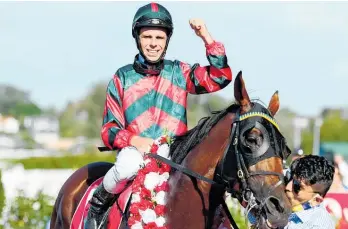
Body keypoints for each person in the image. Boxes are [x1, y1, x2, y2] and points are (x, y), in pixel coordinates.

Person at [85, 2, 233, 228]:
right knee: (127, 166)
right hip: (135, 153)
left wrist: (206, 37)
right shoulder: (122, 77)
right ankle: (99, 201)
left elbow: (219, 77)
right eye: (147, 37)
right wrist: (135, 140)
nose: (153, 43)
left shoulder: (180, 72)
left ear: (166, 41)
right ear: (138, 38)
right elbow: (109, 131)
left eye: (159, 38)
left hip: (175, 154)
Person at [283, 155, 335, 229]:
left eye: (297, 186)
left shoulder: (319, 225)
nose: (288, 187)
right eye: (289, 178)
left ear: (316, 200)